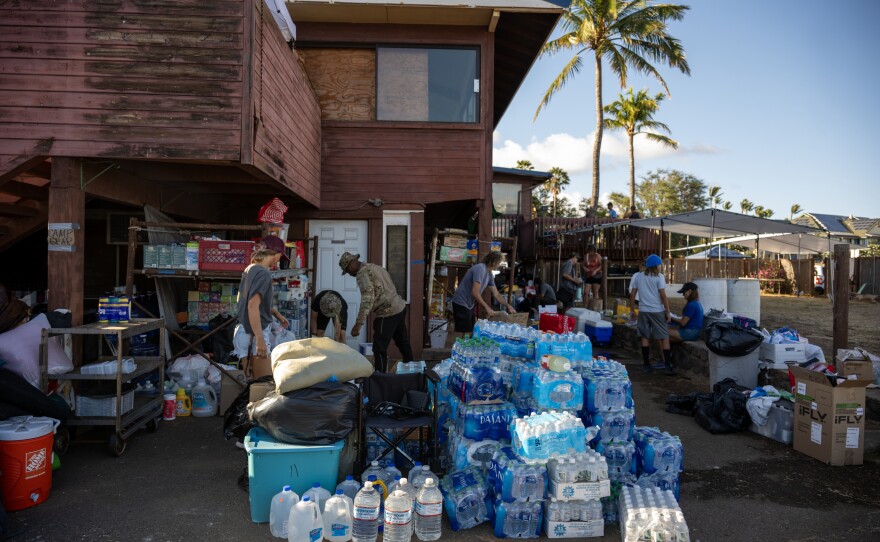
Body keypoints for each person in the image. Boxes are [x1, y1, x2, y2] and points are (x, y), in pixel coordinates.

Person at [339, 252, 413, 373]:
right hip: (399, 307)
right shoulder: (374, 266)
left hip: (387, 313)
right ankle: (413, 370)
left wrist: (358, 323)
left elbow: (367, 298)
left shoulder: (362, 274)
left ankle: (381, 378)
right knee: (402, 341)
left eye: (347, 270)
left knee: (379, 349)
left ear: (351, 264)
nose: (349, 274)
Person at [233, 236, 289, 378]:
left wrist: (274, 312)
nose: (278, 259)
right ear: (274, 254)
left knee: (251, 387)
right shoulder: (263, 273)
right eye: (279, 255)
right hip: (253, 334)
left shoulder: (250, 268)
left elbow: (250, 302)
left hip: (243, 331)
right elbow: (252, 305)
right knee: (263, 387)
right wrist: (260, 339)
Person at [629, 254, 673, 375]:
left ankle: (646, 365)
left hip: (643, 311)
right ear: (657, 265)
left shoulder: (639, 277)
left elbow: (632, 295)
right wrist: (668, 312)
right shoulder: (659, 277)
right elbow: (663, 296)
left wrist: (632, 310)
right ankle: (668, 366)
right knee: (664, 337)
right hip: (657, 311)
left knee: (645, 337)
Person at [451, 251, 516, 334]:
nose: (499, 265)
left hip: (469, 304)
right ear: (494, 262)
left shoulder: (489, 274)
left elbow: (496, 294)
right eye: (499, 262)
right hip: (460, 302)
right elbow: (474, 292)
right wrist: (487, 307)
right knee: (464, 332)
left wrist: (508, 305)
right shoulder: (480, 269)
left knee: (471, 330)